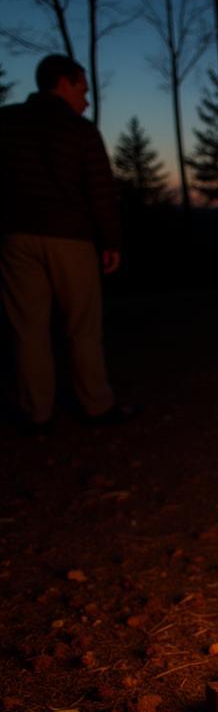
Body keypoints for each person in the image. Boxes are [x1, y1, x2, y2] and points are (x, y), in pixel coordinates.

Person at [0, 54, 129, 434]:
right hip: (70, 239)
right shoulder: (80, 131)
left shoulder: (5, 123)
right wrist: (111, 242)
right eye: (83, 90)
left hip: (16, 237)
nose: (86, 100)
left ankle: (36, 412)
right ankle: (95, 405)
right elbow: (100, 191)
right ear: (63, 84)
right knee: (82, 327)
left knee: (27, 328)